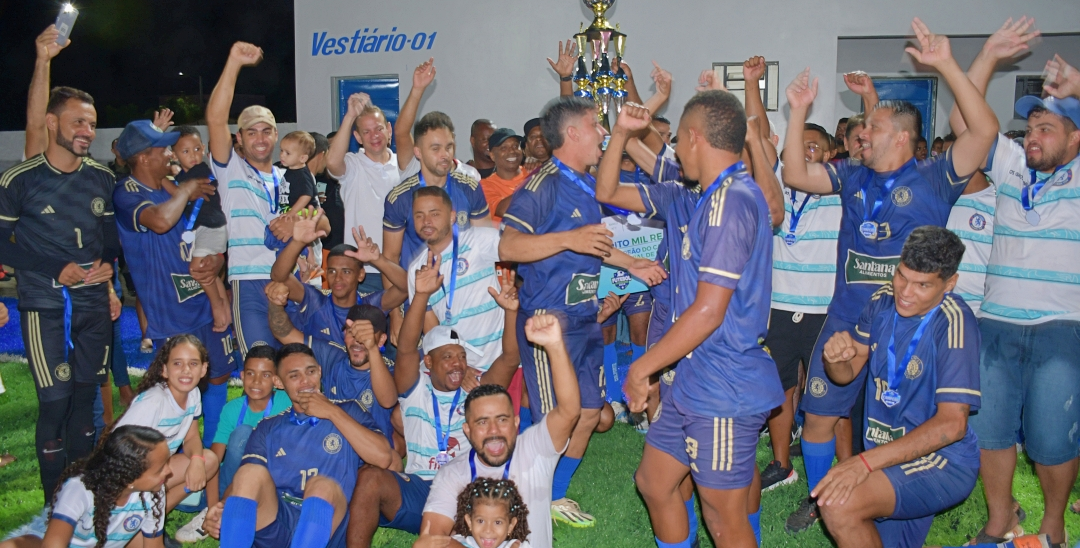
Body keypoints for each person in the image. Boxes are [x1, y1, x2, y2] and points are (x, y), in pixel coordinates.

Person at [779, 18, 999, 533]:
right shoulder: (852, 174)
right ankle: (821, 499)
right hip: (846, 320)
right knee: (819, 417)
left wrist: (946, 64)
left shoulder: (935, 177)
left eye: (871, 127)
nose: (861, 133)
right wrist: (798, 112)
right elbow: (793, 173)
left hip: (909, 328)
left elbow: (985, 131)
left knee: (897, 427)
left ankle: (890, 496)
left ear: (901, 136)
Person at [595, 90, 781, 547]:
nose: (675, 150)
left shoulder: (730, 201)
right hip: (693, 376)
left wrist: (641, 367)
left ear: (695, 137)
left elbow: (709, 310)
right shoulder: (714, 195)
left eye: (678, 139)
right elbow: (608, 192)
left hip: (723, 384)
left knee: (723, 518)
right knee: (654, 482)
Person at [498, 95, 666, 528]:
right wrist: (567, 239)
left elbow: (595, 242)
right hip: (548, 322)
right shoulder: (541, 185)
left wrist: (633, 264)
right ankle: (528, 496)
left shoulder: (589, 183)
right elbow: (508, 246)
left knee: (590, 411)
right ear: (572, 133)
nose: (602, 133)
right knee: (558, 416)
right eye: (596, 126)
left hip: (586, 316)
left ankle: (553, 494)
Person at [949, 18, 1079, 547]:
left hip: (1060, 327)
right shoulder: (1010, 167)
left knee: (1051, 440)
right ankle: (1000, 519)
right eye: (1030, 127)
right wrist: (988, 54)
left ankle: (1053, 525)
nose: (1033, 136)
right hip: (996, 323)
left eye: (1047, 128)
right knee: (992, 431)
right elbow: (963, 120)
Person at [813, 226, 980, 548]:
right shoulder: (881, 300)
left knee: (838, 504)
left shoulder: (954, 321)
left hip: (942, 461)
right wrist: (834, 359)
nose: (905, 291)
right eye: (902, 276)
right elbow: (845, 374)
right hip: (889, 455)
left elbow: (953, 425)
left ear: (949, 284)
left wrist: (863, 463)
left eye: (922, 285)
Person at [1, 62, 120, 503]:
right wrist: (53, 269)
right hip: (46, 306)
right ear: (52, 123)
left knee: (85, 404)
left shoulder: (102, 177)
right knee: (55, 402)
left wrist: (108, 265)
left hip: (92, 305)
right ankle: (54, 501)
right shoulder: (20, 180)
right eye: (78, 122)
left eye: (91, 123)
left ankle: (80, 496)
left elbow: (110, 236)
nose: (87, 131)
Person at [345, 250, 519, 546]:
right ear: (428, 362)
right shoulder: (413, 387)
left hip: (465, 491)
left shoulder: (478, 392)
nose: (458, 364)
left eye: (461, 357)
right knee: (370, 478)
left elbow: (511, 358)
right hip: (419, 488)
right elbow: (406, 348)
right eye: (448, 357)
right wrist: (421, 295)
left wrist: (511, 312)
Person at [112, 120, 237, 449]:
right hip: (171, 311)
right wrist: (185, 190)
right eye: (163, 149)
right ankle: (179, 458)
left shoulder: (176, 184)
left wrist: (217, 263)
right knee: (179, 387)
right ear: (143, 157)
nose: (170, 153)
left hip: (204, 299)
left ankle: (212, 454)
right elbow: (160, 220)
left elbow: (209, 235)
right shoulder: (128, 193)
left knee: (218, 375)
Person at [203, 343, 400, 548]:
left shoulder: (349, 410)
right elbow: (244, 482)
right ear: (279, 382)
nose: (305, 381)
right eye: (294, 376)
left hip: (326, 522)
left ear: (320, 371)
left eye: (311, 372)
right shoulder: (268, 427)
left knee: (321, 485)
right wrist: (222, 507)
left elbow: (383, 458)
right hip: (278, 519)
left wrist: (331, 412)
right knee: (249, 472)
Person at [204, 41, 330, 356]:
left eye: (266, 131)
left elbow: (322, 221)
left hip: (292, 280)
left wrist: (296, 223)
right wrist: (234, 63)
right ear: (239, 138)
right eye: (251, 132)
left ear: (276, 135)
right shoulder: (231, 170)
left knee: (298, 364)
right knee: (260, 363)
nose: (260, 138)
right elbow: (216, 120)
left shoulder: (289, 176)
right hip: (249, 281)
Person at [418, 313, 581, 548]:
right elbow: (430, 541)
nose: (494, 430)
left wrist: (555, 346)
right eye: (482, 422)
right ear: (467, 430)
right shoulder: (452, 474)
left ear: (516, 423)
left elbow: (569, 411)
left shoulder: (534, 449)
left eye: (502, 420)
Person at [761, 120, 842, 492]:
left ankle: (835, 474)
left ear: (829, 154)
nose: (806, 152)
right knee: (779, 388)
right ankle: (782, 464)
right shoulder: (776, 186)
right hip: (778, 306)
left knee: (828, 393)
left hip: (824, 310)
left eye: (814, 146)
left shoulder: (840, 191)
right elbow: (760, 138)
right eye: (799, 146)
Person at [384, 58, 490, 277]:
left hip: (463, 288)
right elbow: (390, 259)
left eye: (449, 147)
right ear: (418, 152)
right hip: (419, 292)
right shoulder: (401, 197)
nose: (445, 154)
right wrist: (417, 90)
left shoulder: (469, 187)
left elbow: (486, 245)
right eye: (435, 149)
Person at [265, 209, 407, 367]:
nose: (338, 278)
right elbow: (279, 277)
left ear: (360, 275)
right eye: (332, 271)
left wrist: (378, 260)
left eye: (346, 272)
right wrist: (297, 243)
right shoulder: (315, 301)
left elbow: (406, 287)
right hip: (320, 378)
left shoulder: (370, 305)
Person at [0, 425, 171, 548]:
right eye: (160, 469)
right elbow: (53, 544)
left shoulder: (153, 493)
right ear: (129, 478)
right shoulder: (80, 489)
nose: (169, 471)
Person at [407, 186, 505, 372]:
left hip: (501, 361)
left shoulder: (478, 241)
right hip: (458, 370)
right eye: (419, 216)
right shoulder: (416, 270)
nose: (426, 221)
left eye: (434, 214)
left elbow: (521, 250)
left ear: (452, 217)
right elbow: (432, 330)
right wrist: (460, 368)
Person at [327, 93, 401, 295]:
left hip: (399, 268)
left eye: (378, 129)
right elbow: (332, 162)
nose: (374, 135)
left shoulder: (404, 166)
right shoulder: (353, 165)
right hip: (363, 272)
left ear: (389, 130)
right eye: (366, 132)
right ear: (358, 137)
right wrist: (350, 116)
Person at [168, 125, 232, 333]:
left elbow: (178, 192)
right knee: (209, 272)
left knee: (198, 269)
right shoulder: (184, 175)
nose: (193, 155)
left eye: (197, 149)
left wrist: (161, 179)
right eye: (185, 151)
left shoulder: (200, 172)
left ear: (204, 148)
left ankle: (216, 305)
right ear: (174, 155)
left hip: (211, 227)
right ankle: (225, 307)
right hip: (204, 228)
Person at [206, 345, 291, 499]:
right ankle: (220, 502)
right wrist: (213, 504)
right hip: (230, 480)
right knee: (243, 433)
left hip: (269, 479)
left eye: (265, 375)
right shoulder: (231, 409)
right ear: (242, 376)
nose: (256, 382)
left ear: (276, 379)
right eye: (251, 373)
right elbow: (214, 458)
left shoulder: (287, 402)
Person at [440, 478, 532, 548]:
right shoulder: (456, 543)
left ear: (511, 525)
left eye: (497, 522)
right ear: (469, 522)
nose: (488, 530)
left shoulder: (517, 546)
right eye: (480, 521)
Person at [480, 128, 529, 223]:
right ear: (492, 156)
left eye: (515, 146)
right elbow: (504, 210)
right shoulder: (485, 186)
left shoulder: (533, 172)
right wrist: (534, 185)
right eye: (503, 148)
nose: (512, 151)